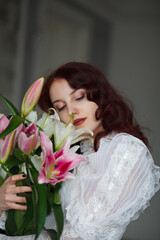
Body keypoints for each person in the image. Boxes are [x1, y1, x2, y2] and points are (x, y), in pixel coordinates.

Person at [0, 61, 160, 240]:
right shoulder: (78, 152)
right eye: (61, 107)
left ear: (99, 94)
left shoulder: (125, 150)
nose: (71, 111)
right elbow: (48, 223)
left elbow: (81, 234)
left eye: (79, 97)